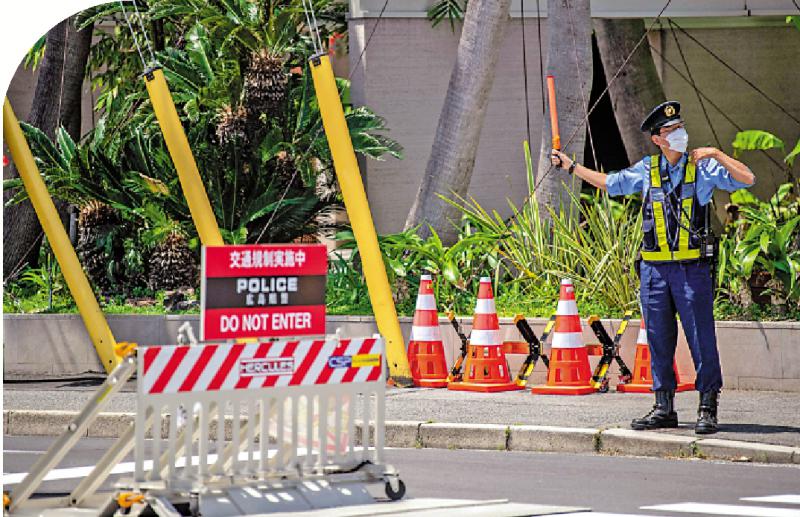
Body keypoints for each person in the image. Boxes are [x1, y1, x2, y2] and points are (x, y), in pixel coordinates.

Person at [550, 101, 755, 434]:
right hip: (655, 271)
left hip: (692, 269)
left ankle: (707, 406)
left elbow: (747, 178)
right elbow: (610, 183)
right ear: (658, 139)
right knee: (658, 339)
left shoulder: (701, 168)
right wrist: (572, 166)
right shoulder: (647, 170)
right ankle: (664, 407)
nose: (679, 135)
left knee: (701, 338)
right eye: (671, 131)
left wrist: (717, 154)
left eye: (680, 128)